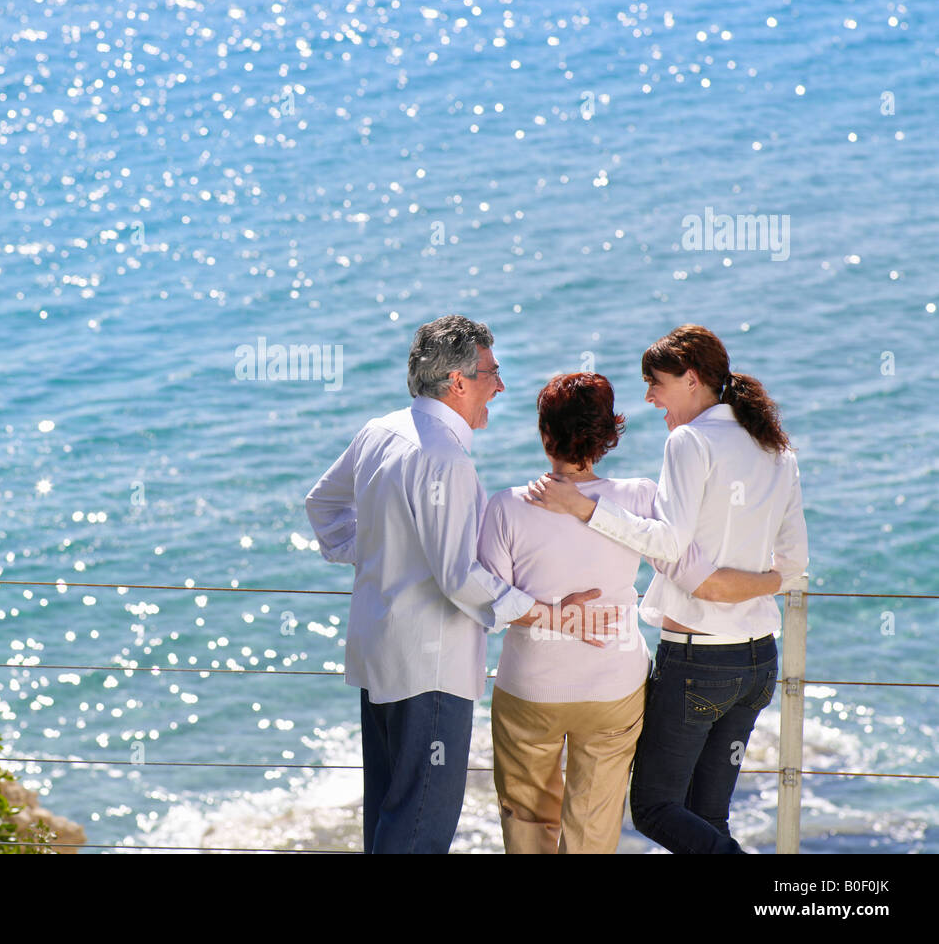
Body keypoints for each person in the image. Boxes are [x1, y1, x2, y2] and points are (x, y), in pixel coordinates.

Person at [305, 315, 615, 854]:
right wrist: (550, 614)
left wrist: (380, 552)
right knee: (420, 828)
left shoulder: (381, 430)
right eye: (492, 373)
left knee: (388, 816)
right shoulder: (444, 459)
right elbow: (459, 577)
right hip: (429, 670)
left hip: (378, 654)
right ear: (458, 381)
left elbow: (323, 506)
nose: (501, 385)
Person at [526, 325, 808, 854]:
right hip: (757, 663)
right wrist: (737, 586)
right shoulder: (777, 449)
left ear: (692, 379)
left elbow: (669, 543)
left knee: (655, 809)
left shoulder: (689, 441)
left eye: (655, 383)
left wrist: (584, 508)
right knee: (707, 819)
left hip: (698, 662)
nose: (650, 398)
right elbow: (793, 566)